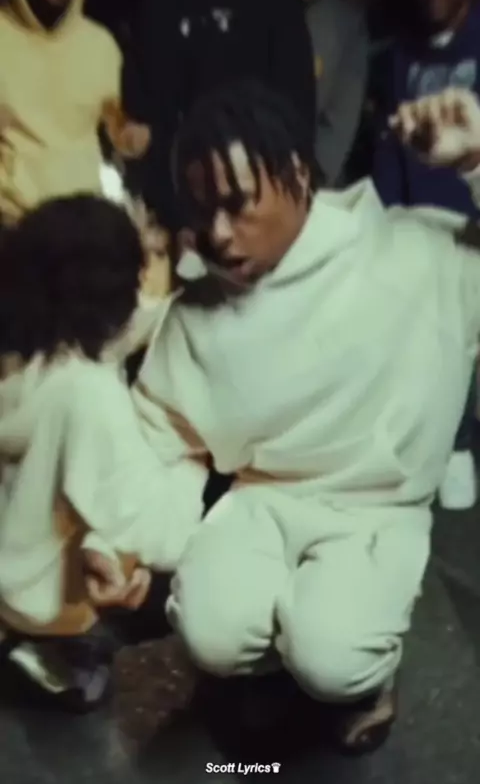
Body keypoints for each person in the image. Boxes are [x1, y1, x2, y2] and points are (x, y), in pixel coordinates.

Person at [107, 79, 480, 754]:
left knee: (333, 657)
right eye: (203, 210)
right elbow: (159, 438)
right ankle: (278, 662)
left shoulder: (414, 252)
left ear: (299, 174)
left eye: (237, 204)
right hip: (264, 500)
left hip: (376, 509)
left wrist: (478, 164)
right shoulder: (196, 314)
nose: (219, 233)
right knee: (211, 633)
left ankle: (361, 681)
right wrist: (121, 547)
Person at [0, 196, 203, 709]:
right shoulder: (89, 394)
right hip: (37, 598)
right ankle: (64, 651)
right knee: (187, 555)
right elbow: (156, 533)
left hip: (9, 552)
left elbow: (115, 336)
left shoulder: (29, 353)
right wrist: (192, 462)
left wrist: (181, 308)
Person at [372, 0, 480, 510]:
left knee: (461, 339)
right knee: (416, 342)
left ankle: (459, 445)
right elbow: (391, 146)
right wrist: (388, 214)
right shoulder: (401, 54)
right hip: (416, 220)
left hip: (473, 219)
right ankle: (428, 444)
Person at [123, 0, 316, 230]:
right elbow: (145, 118)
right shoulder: (153, 4)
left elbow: (297, 113)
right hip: (175, 215)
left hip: (253, 209)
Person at [0, 0, 149, 225]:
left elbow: (115, 127)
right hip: (12, 218)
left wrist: (130, 137)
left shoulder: (100, 45)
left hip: (85, 217)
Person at [274, 0, 368, 186]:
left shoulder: (348, 27)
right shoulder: (262, 10)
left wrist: (308, 183)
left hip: (317, 182)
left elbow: (339, 124)